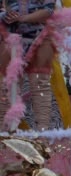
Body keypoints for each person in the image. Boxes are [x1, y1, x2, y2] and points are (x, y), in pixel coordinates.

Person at [0, 0, 57, 129]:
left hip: (40, 35)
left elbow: (48, 10)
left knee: (40, 83)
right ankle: (4, 134)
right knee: (7, 85)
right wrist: (6, 16)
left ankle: (42, 135)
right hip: (10, 35)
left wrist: (23, 18)